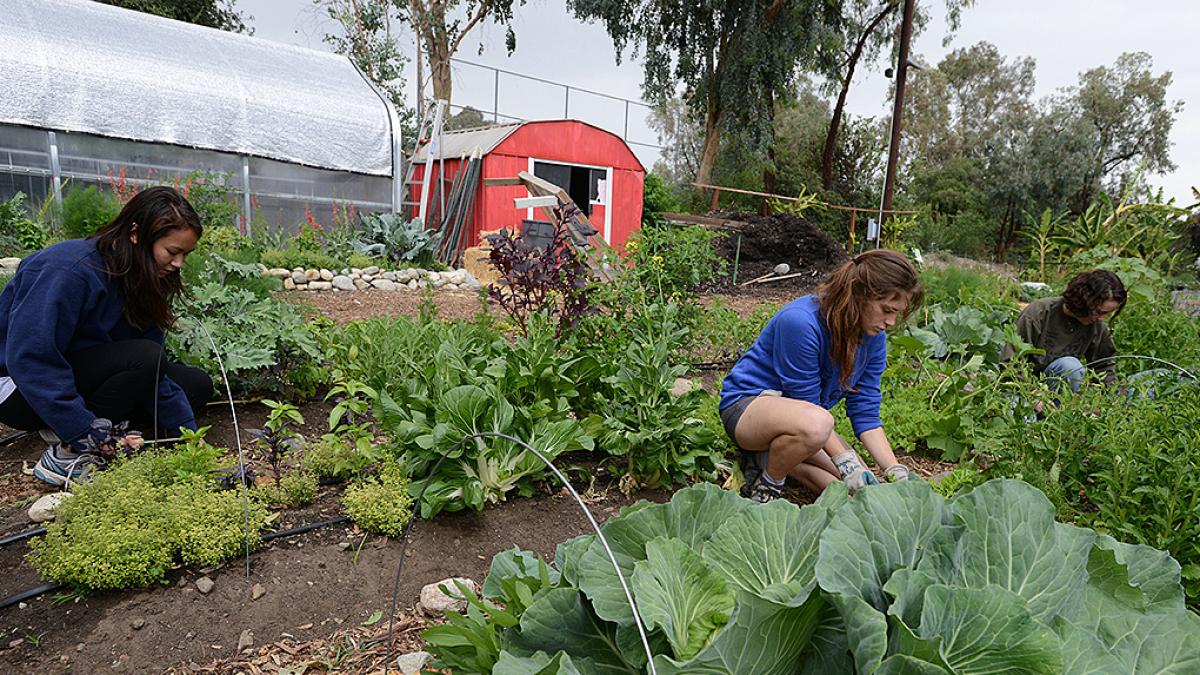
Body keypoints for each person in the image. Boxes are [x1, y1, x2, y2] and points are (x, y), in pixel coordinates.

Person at [0, 186, 214, 487]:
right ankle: (69, 453)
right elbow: (31, 359)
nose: (179, 263)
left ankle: (82, 424)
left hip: (73, 374)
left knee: (195, 385)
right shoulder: (68, 270)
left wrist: (187, 436)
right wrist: (86, 433)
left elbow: (155, 371)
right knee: (144, 359)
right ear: (136, 233)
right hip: (18, 388)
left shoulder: (137, 275)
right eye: (172, 251)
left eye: (185, 254)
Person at [719, 249, 924, 503]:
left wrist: (894, 471)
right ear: (859, 295)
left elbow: (865, 410)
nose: (891, 322)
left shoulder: (873, 338)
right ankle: (766, 488)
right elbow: (805, 402)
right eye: (886, 310)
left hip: (805, 420)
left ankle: (767, 460)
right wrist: (847, 462)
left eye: (896, 313)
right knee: (822, 431)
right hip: (747, 409)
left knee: (857, 491)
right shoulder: (801, 322)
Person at [1000, 270, 1125, 393]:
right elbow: (1010, 362)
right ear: (1084, 302)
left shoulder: (1096, 326)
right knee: (1070, 366)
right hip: (1023, 388)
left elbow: (1103, 366)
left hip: (1058, 394)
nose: (1102, 318)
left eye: (1107, 313)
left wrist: (1116, 396)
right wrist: (1033, 395)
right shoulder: (1039, 313)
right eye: (1099, 312)